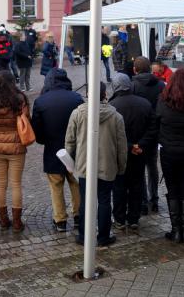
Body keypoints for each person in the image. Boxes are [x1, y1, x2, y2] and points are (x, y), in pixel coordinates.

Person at [66, 81, 127, 246]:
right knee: (105, 200)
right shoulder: (116, 117)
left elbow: (69, 141)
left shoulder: (77, 113)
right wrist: (121, 167)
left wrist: (70, 163)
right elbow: (122, 146)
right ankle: (103, 236)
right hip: (108, 165)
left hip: (85, 165)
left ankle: (84, 235)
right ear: (104, 94)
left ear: (88, 94)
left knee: (86, 201)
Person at [31, 68, 83, 232]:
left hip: (53, 149)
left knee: (56, 186)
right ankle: (79, 216)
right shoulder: (77, 98)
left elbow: (37, 131)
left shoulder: (41, 101)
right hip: (75, 150)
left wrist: (45, 140)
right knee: (76, 184)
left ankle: (60, 220)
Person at [109, 73, 158, 231]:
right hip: (140, 151)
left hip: (120, 152)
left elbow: (113, 134)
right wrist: (140, 145)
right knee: (137, 184)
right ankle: (134, 217)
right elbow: (153, 127)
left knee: (119, 186)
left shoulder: (112, 106)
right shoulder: (144, 103)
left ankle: (120, 218)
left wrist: (130, 146)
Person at [0, 70, 30, 232]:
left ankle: (3, 220)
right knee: (16, 183)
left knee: (1, 183)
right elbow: (26, 121)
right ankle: (17, 223)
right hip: (16, 145)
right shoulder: (19, 99)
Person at [156, 69, 184, 242]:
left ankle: (176, 230)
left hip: (168, 152)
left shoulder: (163, 102)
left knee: (172, 189)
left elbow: (156, 123)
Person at [130, 56, 164, 213]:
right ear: (150, 69)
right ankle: (154, 199)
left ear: (135, 69)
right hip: (155, 131)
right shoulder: (160, 85)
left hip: (138, 133)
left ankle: (143, 201)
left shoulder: (133, 86)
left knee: (139, 168)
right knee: (152, 166)